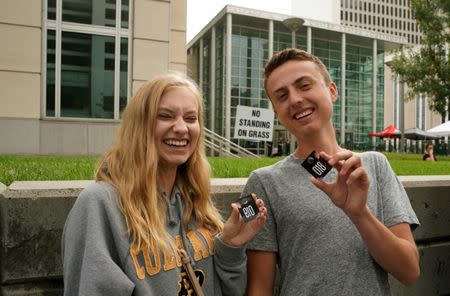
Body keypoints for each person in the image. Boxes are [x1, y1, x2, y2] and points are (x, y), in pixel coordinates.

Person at [62, 73, 267, 296]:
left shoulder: (196, 201)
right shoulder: (100, 203)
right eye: (165, 116)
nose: (181, 128)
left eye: (190, 118)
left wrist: (230, 247)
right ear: (140, 125)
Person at [243, 48, 420, 295]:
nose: (294, 100)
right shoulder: (264, 182)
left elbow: (409, 271)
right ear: (276, 113)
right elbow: (259, 288)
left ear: (332, 90)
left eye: (304, 85)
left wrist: (359, 214)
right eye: (281, 96)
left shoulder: (374, 166)